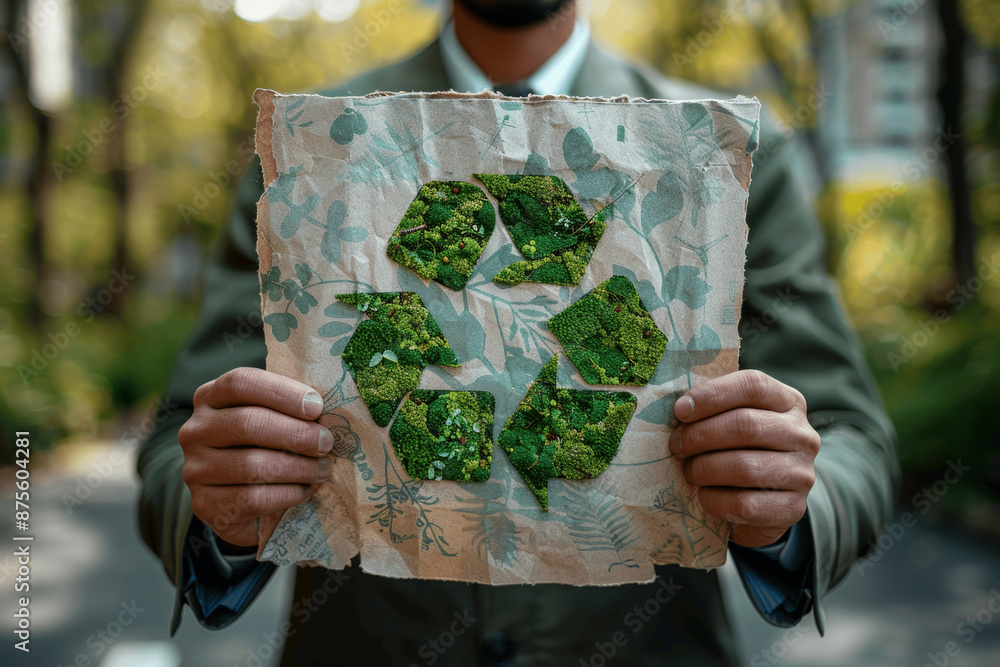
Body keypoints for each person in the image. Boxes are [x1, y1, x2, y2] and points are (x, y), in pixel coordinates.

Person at [138, 1, 899, 664]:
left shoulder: (720, 161)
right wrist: (224, 513)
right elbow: (186, 438)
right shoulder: (311, 155)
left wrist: (789, 508)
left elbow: (847, 434)